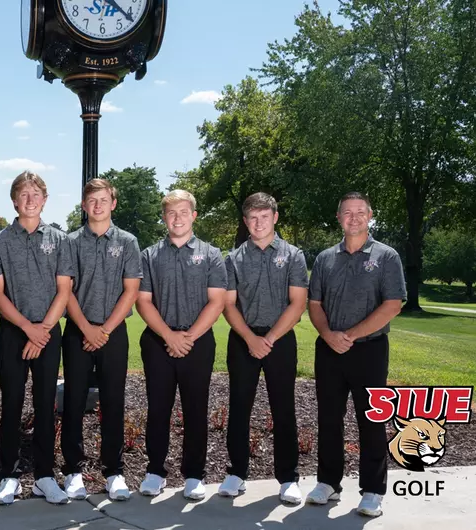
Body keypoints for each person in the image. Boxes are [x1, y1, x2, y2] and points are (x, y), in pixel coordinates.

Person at [305, 192, 405, 518]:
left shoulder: (387, 256)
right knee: (329, 419)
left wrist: (350, 335)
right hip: (329, 349)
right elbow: (315, 304)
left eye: (360, 212)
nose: (354, 218)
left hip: (370, 350)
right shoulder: (324, 259)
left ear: (370, 215)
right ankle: (328, 483)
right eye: (347, 213)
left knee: (371, 421)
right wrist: (328, 335)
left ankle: (373, 491)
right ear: (338, 218)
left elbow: (393, 304)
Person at [135, 189, 226, 500]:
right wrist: (169, 336)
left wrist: (188, 337)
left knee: (196, 409)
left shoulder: (212, 254)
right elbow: (143, 302)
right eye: (171, 213)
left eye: (183, 212)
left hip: (197, 342)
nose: (177, 218)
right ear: (164, 217)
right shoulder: (148, 255)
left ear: (194, 216)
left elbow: (217, 301)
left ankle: (194, 475)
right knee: (158, 408)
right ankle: (155, 471)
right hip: (158, 341)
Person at [0, 171, 74, 506]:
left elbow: (64, 290)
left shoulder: (59, 240)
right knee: (11, 405)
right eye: (23, 194)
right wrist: (29, 329)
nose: (30, 199)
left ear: (44, 200)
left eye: (36, 193)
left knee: (44, 406)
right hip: (13, 332)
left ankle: (43, 477)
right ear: (14, 200)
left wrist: (42, 332)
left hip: (49, 332)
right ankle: (8, 477)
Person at [218, 192, 307, 504]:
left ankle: (288, 478)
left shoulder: (294, 255)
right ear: (245, 221)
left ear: (275, 218)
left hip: (280, 339)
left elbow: (298, 304)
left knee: (284, 409)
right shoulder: (233, 259)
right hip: (243, 339)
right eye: (252, 218)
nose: (258, 223)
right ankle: (236, 473)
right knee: (239, 407)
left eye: (264, 217)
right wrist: (251, 339)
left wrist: (268, 339)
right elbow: (228, 306)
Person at [61, 178, 141, 502]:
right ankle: (73, 472)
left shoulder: (128, 242)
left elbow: (131, 291)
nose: (97, 205)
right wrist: (87, 329)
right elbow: (65, 291)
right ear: (84, 205)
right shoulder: (70, 243)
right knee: (73, 404)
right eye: (91, 200)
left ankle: (114, 472)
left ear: (113, 204)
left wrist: (104, 330)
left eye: (103, 200)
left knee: (113, 402)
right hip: (78, 332)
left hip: (114, 332)